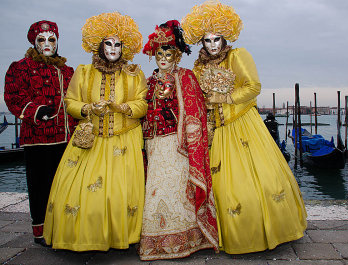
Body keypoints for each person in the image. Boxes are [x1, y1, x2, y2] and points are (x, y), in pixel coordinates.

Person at [182, 0, 307, 254]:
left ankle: (261, 232)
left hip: (242, 125)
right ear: (201, 43)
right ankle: (219, 233)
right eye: (207, 40)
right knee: (219, 186)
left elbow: (253, 87)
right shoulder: (198, 67)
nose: (213, 45)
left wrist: (225, 98)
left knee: (254, 181)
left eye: (217, 39)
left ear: (225, 38)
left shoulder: (239, 56)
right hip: (214, 132)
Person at [43, 12, 148, 251]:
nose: (113, 49)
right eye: (108, 44)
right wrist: (89, 108)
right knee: (82, 193)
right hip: (90, 142)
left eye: (118, 44)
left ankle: (122, 237)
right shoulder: (83, 72)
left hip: (123, 141)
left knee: (120, 194)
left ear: (125, 47)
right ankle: (84, 238)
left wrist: (121, 108)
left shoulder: (134, 73)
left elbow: (142, 104)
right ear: (99, 45)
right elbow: (69, 102)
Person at [139, 20, 218, 260]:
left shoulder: (185, 77)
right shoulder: (149, 80)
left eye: (169, 53)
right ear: (154, 55)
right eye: (159, 53)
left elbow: (195, 110)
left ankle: (188, 238)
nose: (163, 58)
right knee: (154, 190)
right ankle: (155, 241)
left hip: (176, 143)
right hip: (152, 143)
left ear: (177, 56)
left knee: (175, 189)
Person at [4, 20, 77, 245]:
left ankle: (62, 228)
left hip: (66, 138)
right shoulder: (21, 67)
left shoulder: (66, 70)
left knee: (65, 186)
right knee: (39, 186)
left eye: (51, 39)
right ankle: (41, 231)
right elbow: (13, 96)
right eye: (42, 40)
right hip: (37, 138)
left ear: (57, 42)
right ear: (34, 42)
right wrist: (35, 110)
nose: (47, 43)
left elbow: (75, 99)